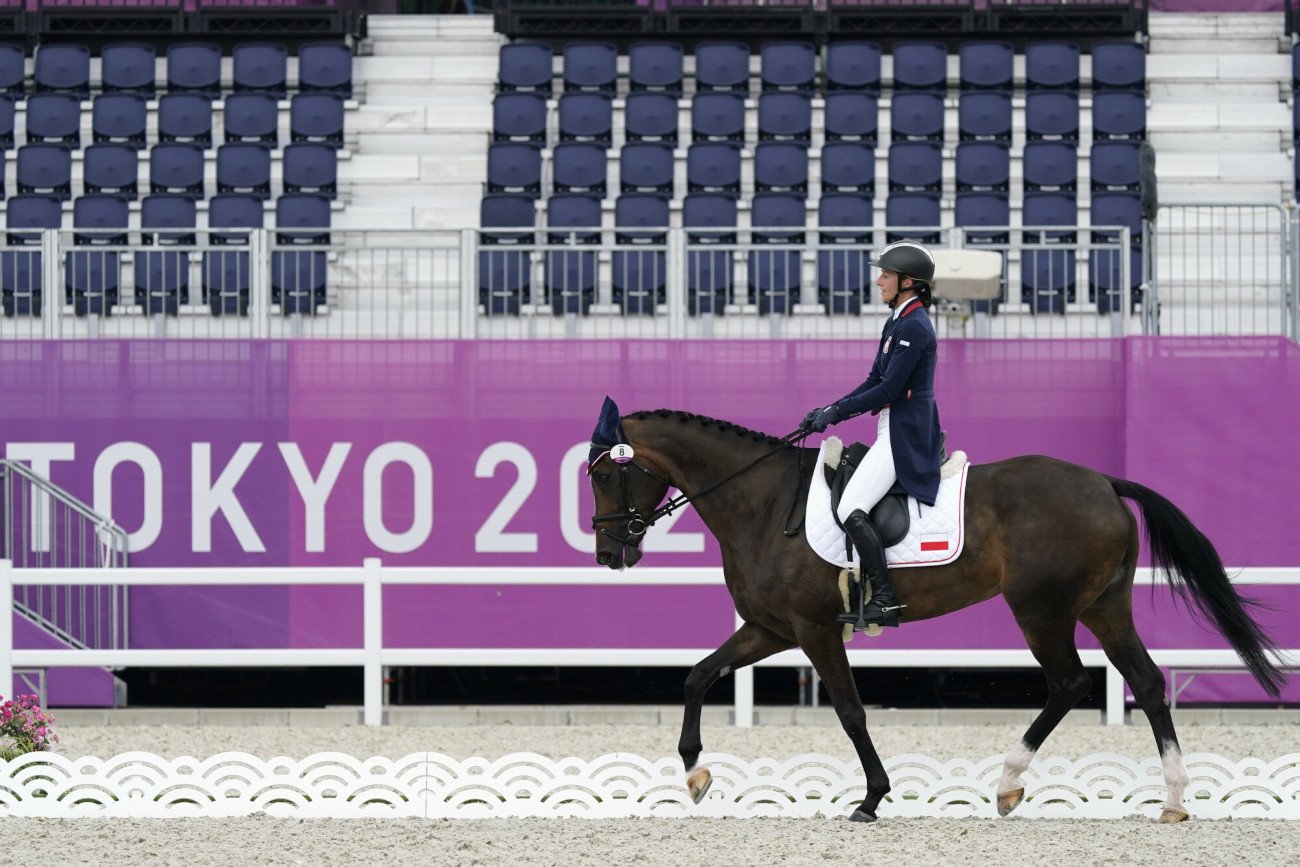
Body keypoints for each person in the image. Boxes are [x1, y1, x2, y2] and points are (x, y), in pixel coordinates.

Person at [799, 240, 944, 628]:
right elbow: (874, 379)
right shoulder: (897, 320)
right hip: (893, 425)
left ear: (907, 282)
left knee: (849, 507)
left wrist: (836, 414)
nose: (879, 281)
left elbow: (889, 390)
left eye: (886, 275)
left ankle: (885, 599)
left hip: (905, 432)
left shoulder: (914, 326)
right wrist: (830, 409)